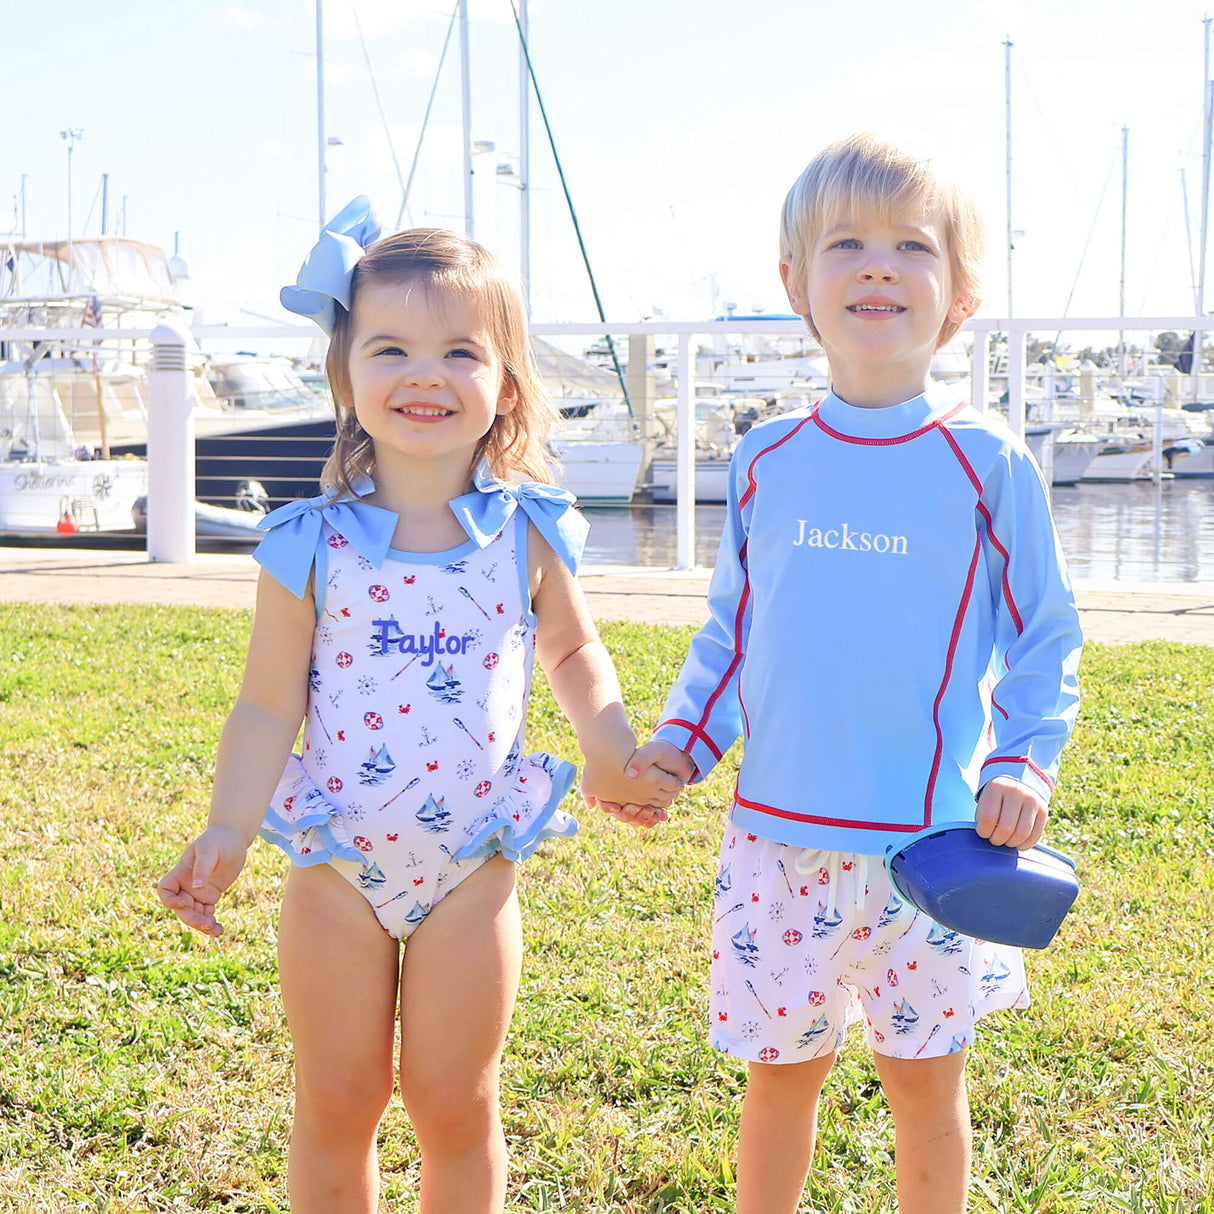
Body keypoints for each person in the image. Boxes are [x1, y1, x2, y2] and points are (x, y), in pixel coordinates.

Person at [157, 199, 681, 1214]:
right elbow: (266, 704)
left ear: (504, 382)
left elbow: (574, 652)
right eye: (390, 348)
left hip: (469, 870)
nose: (424, 374)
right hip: (335, 865)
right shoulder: (311, 543)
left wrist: (611, 747)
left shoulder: (527, 532)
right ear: (343, 376)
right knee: (337, 1098)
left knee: (454, 1101)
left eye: (458, 351)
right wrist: (226, 828)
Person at [612, 134, 1083, 1214]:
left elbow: (1044, 634)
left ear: (957, 294)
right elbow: (734, 630)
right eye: (845, 243)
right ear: (795, 284)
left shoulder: (986, 461)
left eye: (909, 245)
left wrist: (1021, 758)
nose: (876, 265)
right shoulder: (768, 456)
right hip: (775, 841)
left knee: (923, 1084)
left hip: (931, 847)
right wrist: (680, 745)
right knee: (779, 1079)